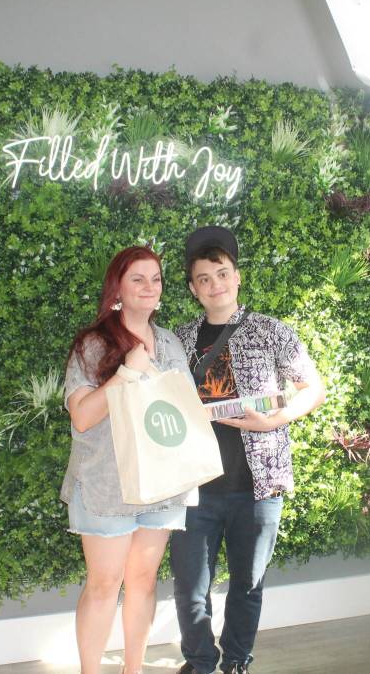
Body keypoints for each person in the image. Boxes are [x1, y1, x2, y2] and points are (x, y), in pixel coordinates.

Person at [172, 226, 326, 674]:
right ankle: (199, 662)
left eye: (222, 273)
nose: (215, 284)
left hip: (258, 486)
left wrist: (275, 419)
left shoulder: (271, 330)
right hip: (194, 487)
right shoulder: (178, 340)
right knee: (189, 587)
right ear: (193, 288)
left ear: (237, 277)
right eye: (204, 278)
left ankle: (237, 661)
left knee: (248, 583)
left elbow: (313, 388)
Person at [62, 245, 196, 674]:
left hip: (162, 483)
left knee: (143, 581)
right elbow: (83, 417)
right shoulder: (93, 344)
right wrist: (127, 372)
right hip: (107, 484)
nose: (149, 287)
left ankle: (133, 669)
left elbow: (183, 410)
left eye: (155, 278)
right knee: (104, 585)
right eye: (137, 278)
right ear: (116, 288)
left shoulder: (170, 342)